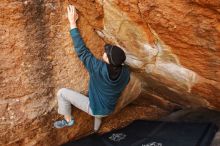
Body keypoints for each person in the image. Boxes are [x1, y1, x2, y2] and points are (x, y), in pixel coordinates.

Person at [54, 5, 130, 131]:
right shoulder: (126, 74)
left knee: (61, 93)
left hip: (95, 108)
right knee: (100, 113)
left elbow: (82, 52)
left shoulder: (98, 69)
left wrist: (72, 23)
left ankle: (68, 120)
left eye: (107, 53)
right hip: (109, 108)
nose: (104, 52)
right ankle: (96, 130)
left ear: (108, 60)